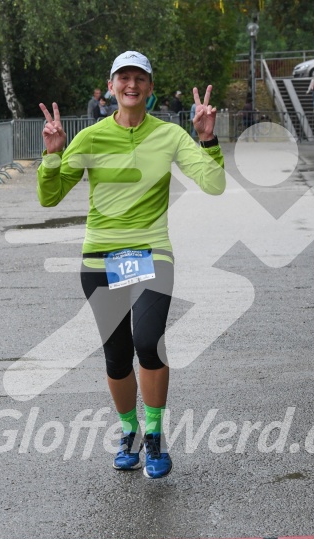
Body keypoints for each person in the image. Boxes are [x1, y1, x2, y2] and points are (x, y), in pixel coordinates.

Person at [37, 50, 225, 480]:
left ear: (151, 87)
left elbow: (214, 185)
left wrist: (207, 140)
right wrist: (52, 155)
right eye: (123, 77)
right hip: (99, 258)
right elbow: (49, 198)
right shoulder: (90, 138)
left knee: (149, 341)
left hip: (150, 253)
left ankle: (155, 434)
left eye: (140, 77)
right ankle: (129, 433)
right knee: (117, 355)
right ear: (111, 85)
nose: (131, 85)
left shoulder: (171, 135)